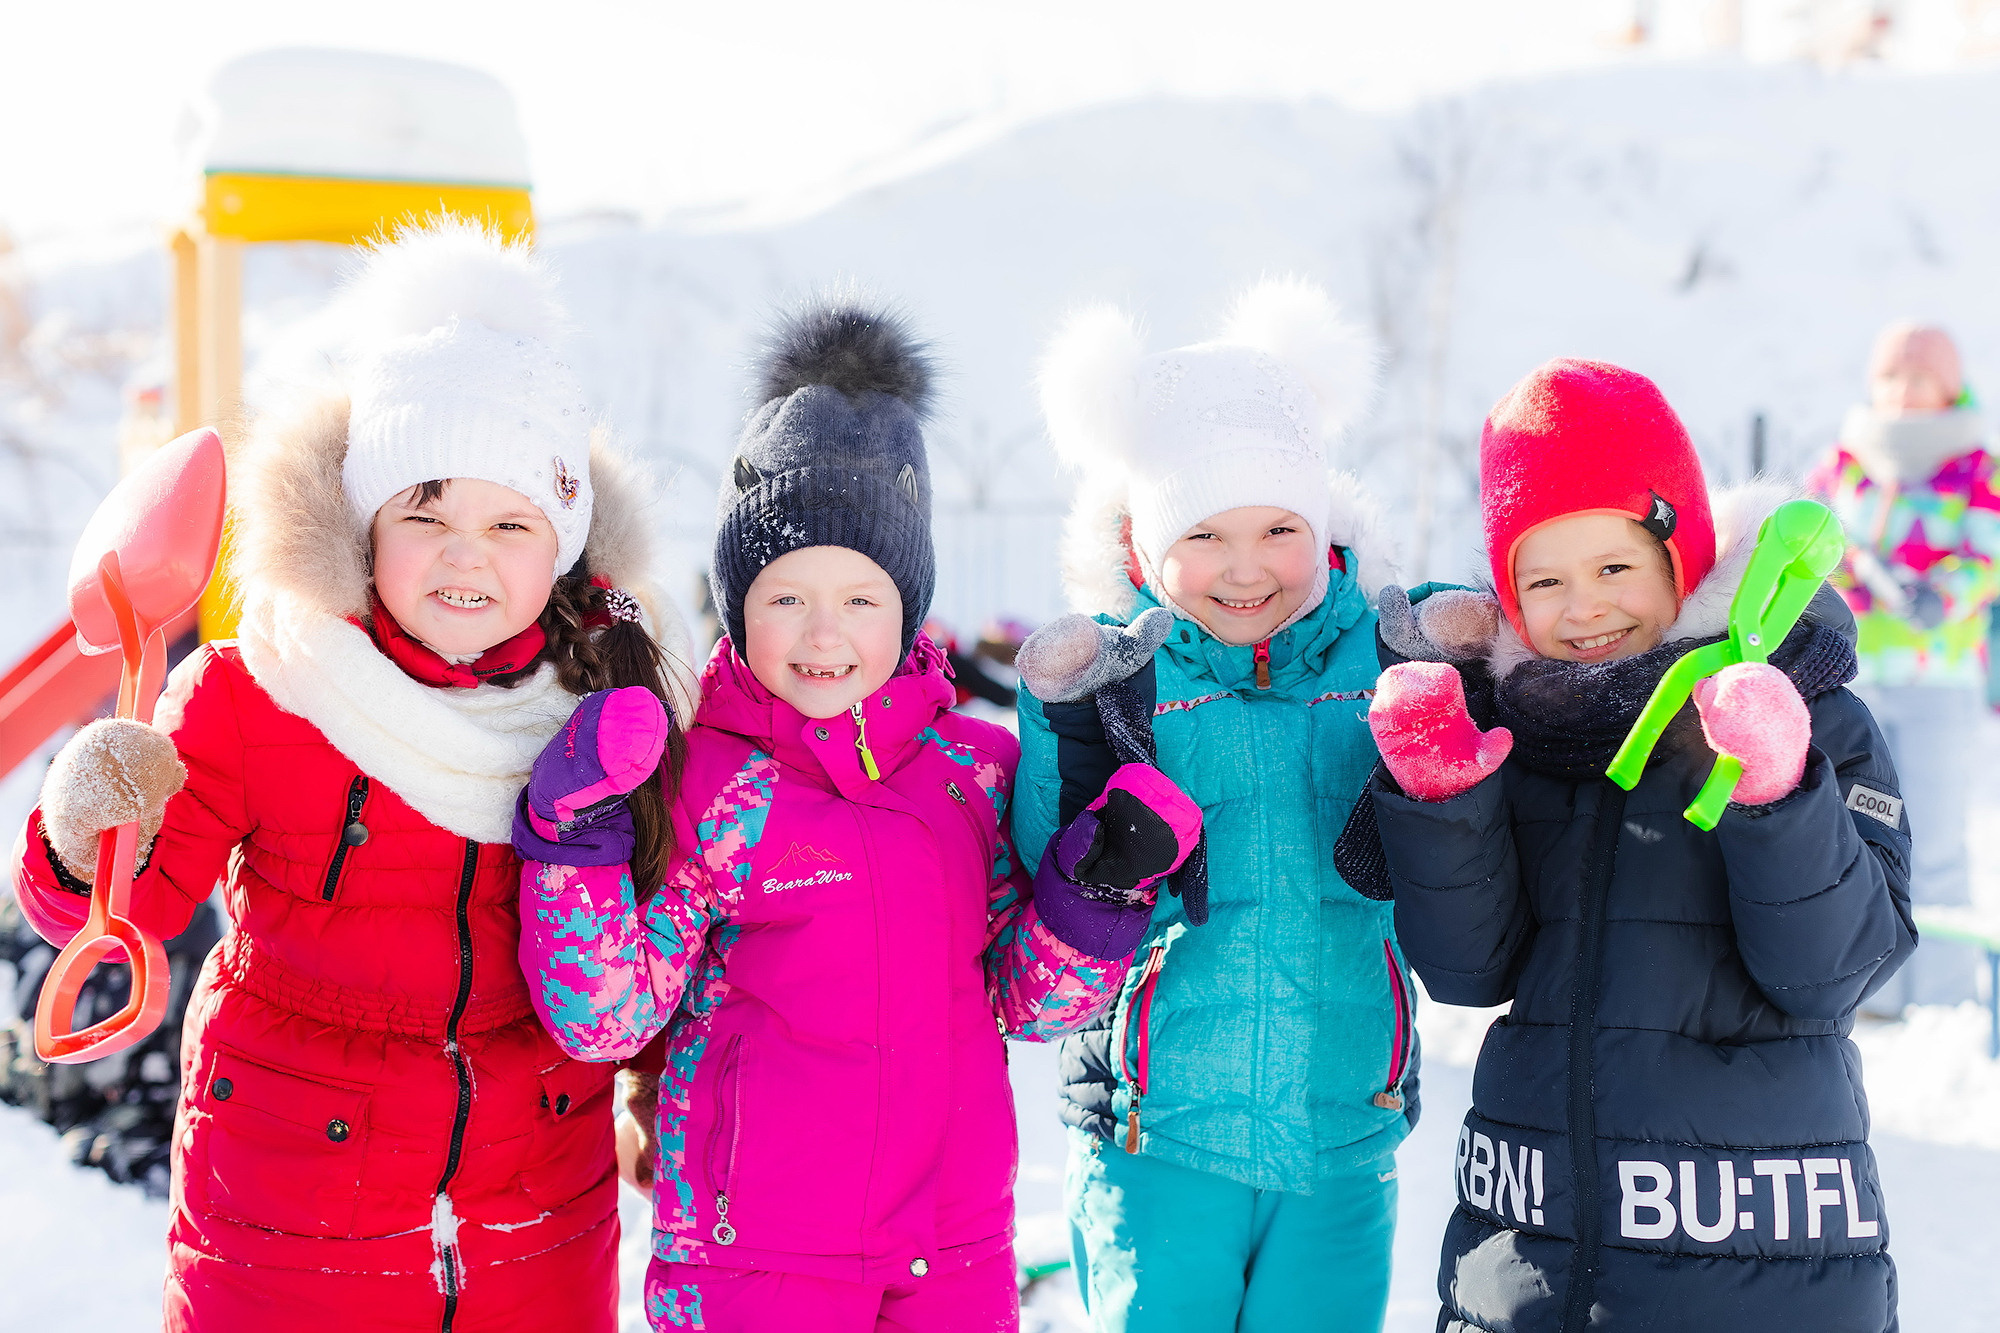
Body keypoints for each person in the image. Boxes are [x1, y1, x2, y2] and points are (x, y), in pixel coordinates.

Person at [8, 220, 694, 1331]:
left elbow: (660, 916)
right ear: (365, 524)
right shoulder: (264, 687)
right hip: (289, 1235)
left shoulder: (614, 712)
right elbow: (115, 915)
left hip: (537, 1233)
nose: (462, 553)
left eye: (507, 520)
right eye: (423, 511)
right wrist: (85, 832)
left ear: (562, 544)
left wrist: (666, 1084)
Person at [512, 297, 1201, 1333]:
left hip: (951, 1252)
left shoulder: (974, 772)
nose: (822, 632)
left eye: (860, 598)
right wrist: (579, 837)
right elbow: (605, 1013)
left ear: (909, 607)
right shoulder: (707, 781)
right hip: (756, 1263)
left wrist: (1096, 889)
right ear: (736, 605)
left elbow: (1029, 1003)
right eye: (785, 596)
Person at [1365, 359, 1914, 1332]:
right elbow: (1464, 967)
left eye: (1613, 567)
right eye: (1543, 579)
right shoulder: (1523, 734)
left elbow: (1835, 969)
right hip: (1528, 1247)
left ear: (1681, 555)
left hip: (1755, 1265)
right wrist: (1442, 795)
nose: (1581, 607)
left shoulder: (1814, 708)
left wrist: (1775, 787)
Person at [1013, 278, 1411, 1332]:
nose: (1245, 570)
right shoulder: (1109, 680)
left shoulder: (1384, 664)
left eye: (1277, 527)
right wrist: (1085, 797)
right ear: (1143, 547)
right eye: (1204, 534)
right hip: (1156, 1144)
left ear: (1320, 527)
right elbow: (1036, 878)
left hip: (1338, 1140)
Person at [1806, 320, 2000, 1009]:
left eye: (1921, 377)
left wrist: (1938, 594)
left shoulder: (1977, 467)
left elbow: (1987, 556)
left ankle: (1944, 994)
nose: (1905, 391)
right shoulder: (1844, 464)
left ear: (1948, 386)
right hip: (1857, 677)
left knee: (1938, 836)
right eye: (1893, 376)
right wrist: (1854, 584)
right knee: (1861, 827)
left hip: (1940, 679)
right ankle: (1871, 991)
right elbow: (1815, 547)